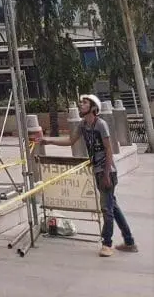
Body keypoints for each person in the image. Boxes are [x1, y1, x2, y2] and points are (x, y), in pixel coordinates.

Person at [44, 94, 137, 257]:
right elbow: (71, 141)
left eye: (85, 103)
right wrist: (49, 141)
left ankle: (107, 244)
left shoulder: (101, 125)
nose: (81, 105)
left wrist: (107, 173)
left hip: (106, 172)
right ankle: (129, 241)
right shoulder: (82, 125)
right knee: (112, 207)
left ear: (93, 108)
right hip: (98, 171)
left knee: (107, 209)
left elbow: (109, 149)